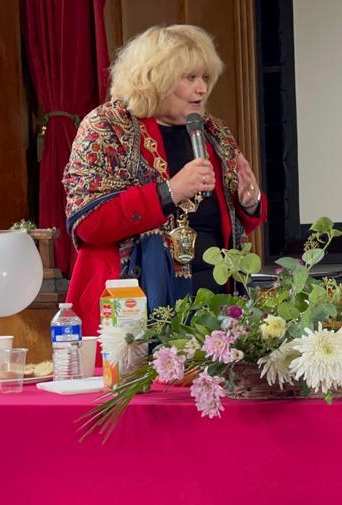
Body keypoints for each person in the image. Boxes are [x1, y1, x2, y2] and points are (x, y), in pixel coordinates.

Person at [63, 25, 266, 337]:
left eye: (206, 78)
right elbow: (87, 223)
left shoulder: (213, 131)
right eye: (190, 78)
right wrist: (169, 192)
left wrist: (249, 201)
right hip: (132, 309)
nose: (202, 89)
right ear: (156, 78)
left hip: (216, 308)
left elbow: (226, 223)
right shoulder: (106, 127)